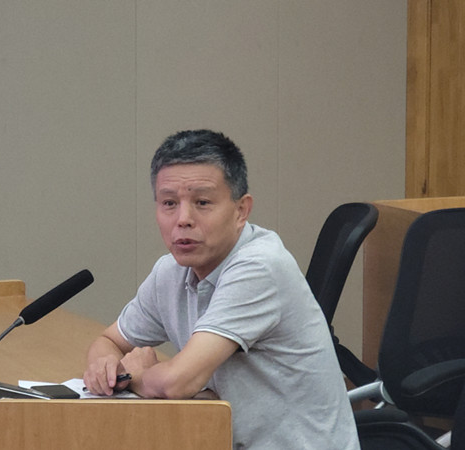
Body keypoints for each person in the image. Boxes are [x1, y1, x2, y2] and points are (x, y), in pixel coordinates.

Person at [83, 129, 359, 449]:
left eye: (202, 202)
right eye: (169, 203)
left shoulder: (260, 267)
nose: (183, 219)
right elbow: (109, 341)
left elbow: (179, 382)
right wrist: (105, 366)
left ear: (241, 211)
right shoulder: (170, 271)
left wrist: (136, 376)